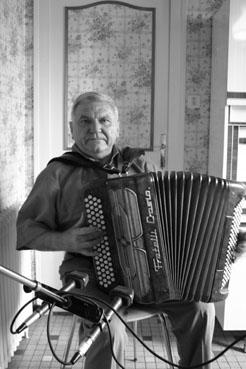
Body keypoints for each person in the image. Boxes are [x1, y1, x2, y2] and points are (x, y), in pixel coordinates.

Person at [16, 91, 215, 369]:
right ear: (71, 129)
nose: (95, 128)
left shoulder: (140, 165)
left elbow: (170, 221)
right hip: (88, 274)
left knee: (200, 307)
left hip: (150, 273)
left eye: (104, 121)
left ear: (117, 127)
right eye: (84, 121)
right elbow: (25, 230)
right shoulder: (57, 174)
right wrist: (65, 239)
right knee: (107, 325)